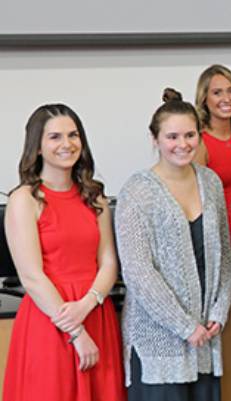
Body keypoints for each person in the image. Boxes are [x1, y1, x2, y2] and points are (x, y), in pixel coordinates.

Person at [116, 89, 231, 401]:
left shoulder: (211, 182)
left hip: (206, 339)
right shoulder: (137, 191)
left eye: (190, 135)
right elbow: (138, 272)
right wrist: (185, 326)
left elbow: (223, 254)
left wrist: (219, 312)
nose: (182, 144)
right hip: (158, 343)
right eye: (172, 136)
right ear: (155, 139)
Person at [3, 104, 125, 401]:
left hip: (95, 312)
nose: (66, 144)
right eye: (55, 137)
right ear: (39, 146)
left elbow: (108, 262)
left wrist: (87, 304)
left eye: (73, 135)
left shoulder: (93, 196)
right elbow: (31, 276)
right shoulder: (24, 200)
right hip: (51, 320)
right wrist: (76, 332)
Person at [193, 64, 231, 241]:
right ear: (204, 99)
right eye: (217, 93)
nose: (226, 98)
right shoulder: (199, 143)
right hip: (220, 240)